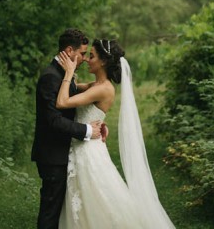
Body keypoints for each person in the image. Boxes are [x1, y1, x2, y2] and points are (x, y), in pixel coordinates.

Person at [56, 39, 175, 228]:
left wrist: (69, 72)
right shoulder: (96, 85)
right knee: (85, 198)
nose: (87, 60)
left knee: (98, 197)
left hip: (88, 150)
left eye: (92, 56)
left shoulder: (103, 89)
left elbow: (62, 102)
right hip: (85, 143)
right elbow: (71, 88)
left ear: (103, 61)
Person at [31, 29, 105, 229]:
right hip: (52, 153)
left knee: (60, 209)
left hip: (63, 151)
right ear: (69, 50)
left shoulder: (64, 73)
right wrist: (87, 131)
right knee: (50, 209)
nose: (83, 58)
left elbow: (75, 100)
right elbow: (53, 120)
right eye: (81, 53)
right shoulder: (50, 77)